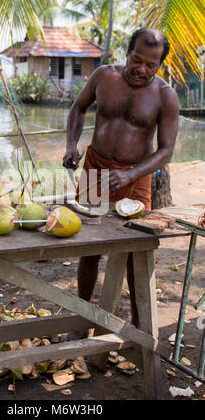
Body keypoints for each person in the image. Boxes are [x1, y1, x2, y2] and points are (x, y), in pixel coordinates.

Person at [62, 27, 180, 334]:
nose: (141, 69)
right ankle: (83, 316)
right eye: (136, 59)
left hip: (136, 176)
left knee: (135, 252)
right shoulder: (103, 77)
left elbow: (166, 150)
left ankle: (140, 321)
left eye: (150, 64)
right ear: (126, 53)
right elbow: (78, 107)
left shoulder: (166, 96)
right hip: (95, 169)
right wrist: (71, 146)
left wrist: (130, 173)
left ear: (159, 65)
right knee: (89, 247)